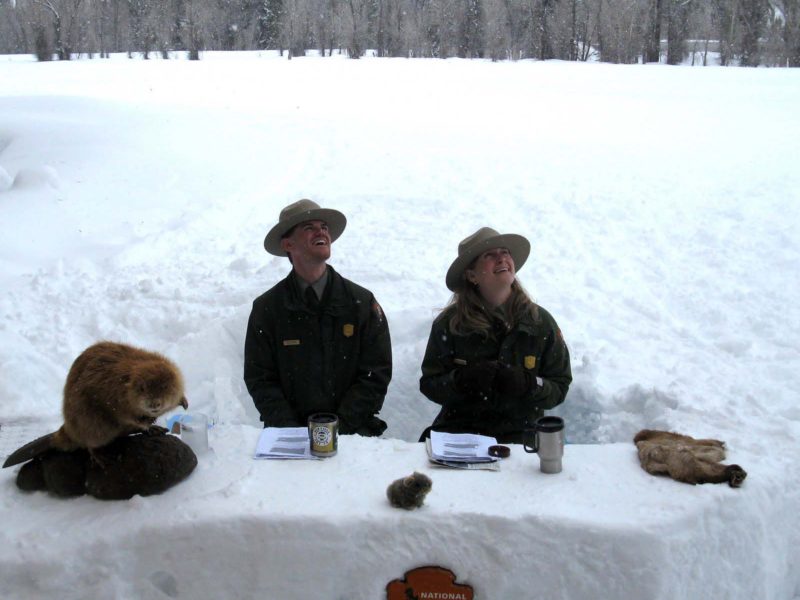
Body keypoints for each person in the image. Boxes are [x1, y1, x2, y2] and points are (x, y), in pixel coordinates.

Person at [244, 199, 391, 436]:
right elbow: (260, 379)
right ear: (288, 244)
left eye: (323, 226)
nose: (321, 231)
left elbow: (376, 373)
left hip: (354, 435)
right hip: (289, 438)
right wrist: (292, 431)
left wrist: (339, 427)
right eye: (309, 227)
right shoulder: (267, 309)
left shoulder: (361, 303)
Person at [419, 227, 571, 444]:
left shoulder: (540, 323)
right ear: (471, 275)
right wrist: (462, 381)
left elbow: (559, 387)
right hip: (459, 437)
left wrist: (529, 384)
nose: (501, 259)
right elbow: (430, 384)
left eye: (505, 252)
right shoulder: (449, 324)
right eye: (489, 255)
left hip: (521, 441)